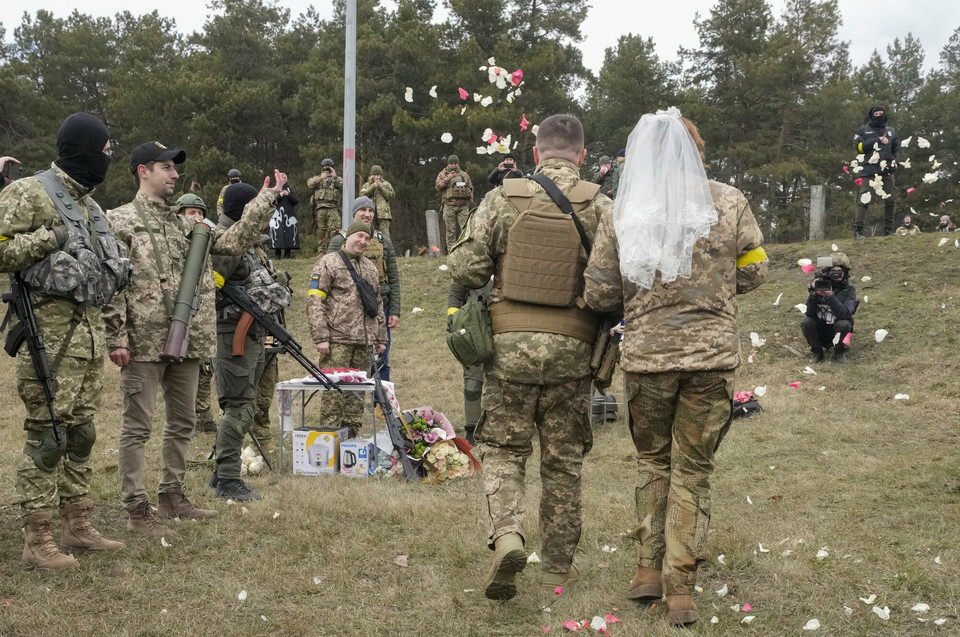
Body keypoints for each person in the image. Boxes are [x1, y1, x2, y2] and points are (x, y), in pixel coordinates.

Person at [583, 109, 767, 626]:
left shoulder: (622, 210)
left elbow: (598, 292)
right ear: (697, 149)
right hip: (711, 357)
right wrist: (720, 286)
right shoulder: (728, 200)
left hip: (647, 359)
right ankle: (680, 588)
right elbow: (756, 269)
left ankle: (647, 571)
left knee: (653, 463)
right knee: (693, 469)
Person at [449, 113, 611, 601]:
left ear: (536, 152)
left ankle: (508, 537)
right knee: (563, 462)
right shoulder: (602, 206)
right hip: (573, 351)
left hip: (510, 349)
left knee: (503, 450)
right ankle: (559, 567)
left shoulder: (503, 198)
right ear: (581, 156)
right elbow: (613, 286)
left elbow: (466, 268)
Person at [104, 140, 287, 537]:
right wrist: (116, 337)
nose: (175, 175)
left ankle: (172, 495)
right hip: (142, 342)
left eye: (175, 168)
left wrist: (266, 200)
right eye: (166, 168)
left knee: (183, 421)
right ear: (143, 171)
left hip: (186, 341)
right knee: (138, 426)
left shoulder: (189, 225)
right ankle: (137, 509)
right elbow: (112, 285)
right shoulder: (118, 221)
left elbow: (234, 242)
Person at [0, 113, 129, 569]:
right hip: (48, 342)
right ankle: (37, 539)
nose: (108, 158)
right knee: (47, 437)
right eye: (105, 150)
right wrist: (49, 237)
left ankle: (77, 524)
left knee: (81, 434)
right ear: (83, 148)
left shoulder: (91, 207)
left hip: (89, 340)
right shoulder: (28, 192)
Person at [208, 183, 292, 501]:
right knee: (239, 407)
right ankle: (228, 478)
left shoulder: (250, 244)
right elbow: (210, 292)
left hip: (252, 334)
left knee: (247, 404)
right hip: (232, 335)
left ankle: (221, 472)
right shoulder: (226, 243)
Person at [307, 221, 387, 437]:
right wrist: (321, 336)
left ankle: (352, 437)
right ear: (348, 237)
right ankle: (329, 438)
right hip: (337, 340)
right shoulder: (328, 263)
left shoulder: (370, 268)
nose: (362, 241)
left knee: (356, 395)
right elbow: (315, 301)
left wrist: (381, 337)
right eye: (359, 236)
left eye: (367, 238)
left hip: (364, 342)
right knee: (333, 392)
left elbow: (377, 303)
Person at [327, 197, 400, 381]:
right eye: (362, 210)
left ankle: (380, 405)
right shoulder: (338, 241)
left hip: (378, 307)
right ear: (354, 213)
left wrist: (395, 310)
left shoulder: (384, 241)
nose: (367, 214)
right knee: (347, 362)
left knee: (381, 358)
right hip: (346, 311)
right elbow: (327, 277)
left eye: (371, 210)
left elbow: (394, 278)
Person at [176, 194, 218, 434]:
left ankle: (203, 415)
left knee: (205, 367)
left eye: (201, 213)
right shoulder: (174, 243)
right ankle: (185, 418)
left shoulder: (207, 241)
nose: (198, 217)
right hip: (180, 317)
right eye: (192, 213)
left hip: (203, 318)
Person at [446, 281, 493, 444]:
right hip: (475, 326)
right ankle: (472, 428)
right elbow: (457, 291)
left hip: (505, 326)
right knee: (472, 385)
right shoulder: (474, 262)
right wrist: (453, 317)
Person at [801, 253, 858, 364]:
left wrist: (830, 296)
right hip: (820, 328)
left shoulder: (850, 291)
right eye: (833, 272)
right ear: (828, 272)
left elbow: (845, 314)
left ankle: (839, 351)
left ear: (845, 273)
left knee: (844, 324)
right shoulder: (820, 286)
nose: (836, 275)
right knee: (806, 322)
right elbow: (808, 313)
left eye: (839, 272)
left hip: (837, 329)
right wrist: (814, 294)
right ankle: (817, 352)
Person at [853, 105, 899, 239]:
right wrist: (877, 140)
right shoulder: (863, 130)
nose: (878, 116)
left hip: (887, 171)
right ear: (871, 115)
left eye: (881, 113)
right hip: (869, 171)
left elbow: (895, 149)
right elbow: (859, 148)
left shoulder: (891, 131)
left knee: (890, 200)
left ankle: (889, 231)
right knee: (863, 201)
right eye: (876, 114)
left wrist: (896, 161)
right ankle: (858, 231)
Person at [435, 155, 474, 252]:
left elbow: (471, 188)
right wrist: (448, 178)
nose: (453, 165)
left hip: (463, 206)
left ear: (458, 163)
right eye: (451, 163)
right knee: (450, 231)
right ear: (448, 164)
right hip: (449, 206)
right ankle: (451, 252)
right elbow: (437, 187)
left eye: (455, 163)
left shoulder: (464, 175)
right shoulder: (443, 174)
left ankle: (466, 251)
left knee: (465, 230)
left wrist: (469, 199)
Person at [307, 159, 343, 252]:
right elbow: (310, 184)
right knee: (321, 230)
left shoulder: (337, 180)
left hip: (333, 208)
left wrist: (335, 177)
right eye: (325, 167)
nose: (327, 169)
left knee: (334, 230)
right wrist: (321, 178)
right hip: (320, 208)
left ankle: (334, 250)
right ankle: (321, 251)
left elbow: (344, 186)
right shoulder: (318, 179)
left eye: (329, 167)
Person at [359, 165, 396, 239]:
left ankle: (386, 249)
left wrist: (382, 188)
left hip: (383, 214)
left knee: (385, 235)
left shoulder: (386, 184)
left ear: (381, 175)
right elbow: (362, 195)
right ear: (372, 175)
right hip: (369, 213)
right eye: (375, 175)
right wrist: (373, 186)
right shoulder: (367, 185)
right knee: (368, 232)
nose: (376, 177)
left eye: (378, 175)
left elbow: (391, 196)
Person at [269, 183, 300, 259]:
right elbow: (271, 201)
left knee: (289, 234)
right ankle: (277, 254)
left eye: (284, 177)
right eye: (281, 177)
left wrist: (288, 194)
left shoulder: (290, 189)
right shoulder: (275, 189)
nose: (283, 178)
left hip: (289, 215)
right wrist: (280, 195)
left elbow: (296, 201)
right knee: (277, 233)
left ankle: (287, 254)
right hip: (277, 215)